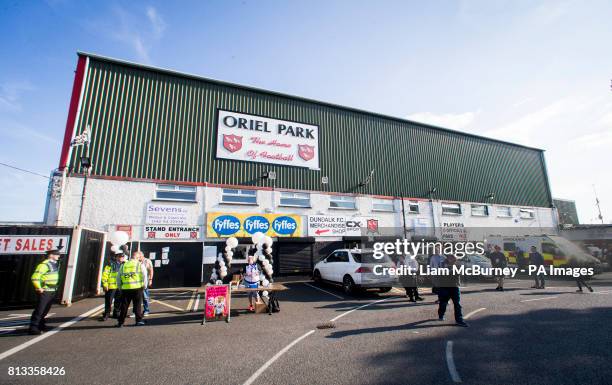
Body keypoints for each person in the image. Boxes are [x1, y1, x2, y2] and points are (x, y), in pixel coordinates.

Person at [29, 248, 62, 335]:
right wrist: (38, 287)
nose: (58, 256)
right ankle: (33, 327)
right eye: (57, 254)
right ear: (51, 255)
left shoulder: (54, 264)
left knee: (46, 309)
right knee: (40, 309)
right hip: (45, 290)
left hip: (51, 290)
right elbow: (35, 277)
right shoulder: (44, 265)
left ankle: (41, 325)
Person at [116, 251, 146, 327]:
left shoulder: (124, 265)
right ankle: (138, 321)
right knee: (137, 305)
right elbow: (144, 275)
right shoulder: (139, 264)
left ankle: (121, 322)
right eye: (140, 257)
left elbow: (118, 277)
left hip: (126, 288)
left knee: (124, 306)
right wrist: (145, 285)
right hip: (137, 288)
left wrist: (119, 287)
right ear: (138, 258)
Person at [437, 254, 468, 327]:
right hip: (444, 286)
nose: (454, 261)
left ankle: (459, 320)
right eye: (453, 259)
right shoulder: (442, 264)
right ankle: (441, 314)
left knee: (457, 304)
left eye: (455, 259)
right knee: (443, 303)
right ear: (448, 258)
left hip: (454, 286)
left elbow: (459, 273)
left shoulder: (457, 265)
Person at [100, 251, 124, 321]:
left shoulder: (124, 264)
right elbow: (105, 274)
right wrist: (105, 284)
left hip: (120, 287)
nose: (121, 258)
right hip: (111, 286)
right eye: (120, 256)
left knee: (118, 301)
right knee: (108, 301)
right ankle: (106, 314)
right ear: (116, 257)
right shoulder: (110, 264)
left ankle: (116, 314)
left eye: (122, 257)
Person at [138, 252, 154, 316]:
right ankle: (135, 311)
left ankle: (146, 310)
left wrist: (150, 280)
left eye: (140, 257)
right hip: (137, 282)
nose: (139, 258)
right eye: (138, 257)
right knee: (136, 298)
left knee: (145, 297)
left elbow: (151, 270)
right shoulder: (136, 261)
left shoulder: (147, 261)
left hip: (145, 281)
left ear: (142, 256)